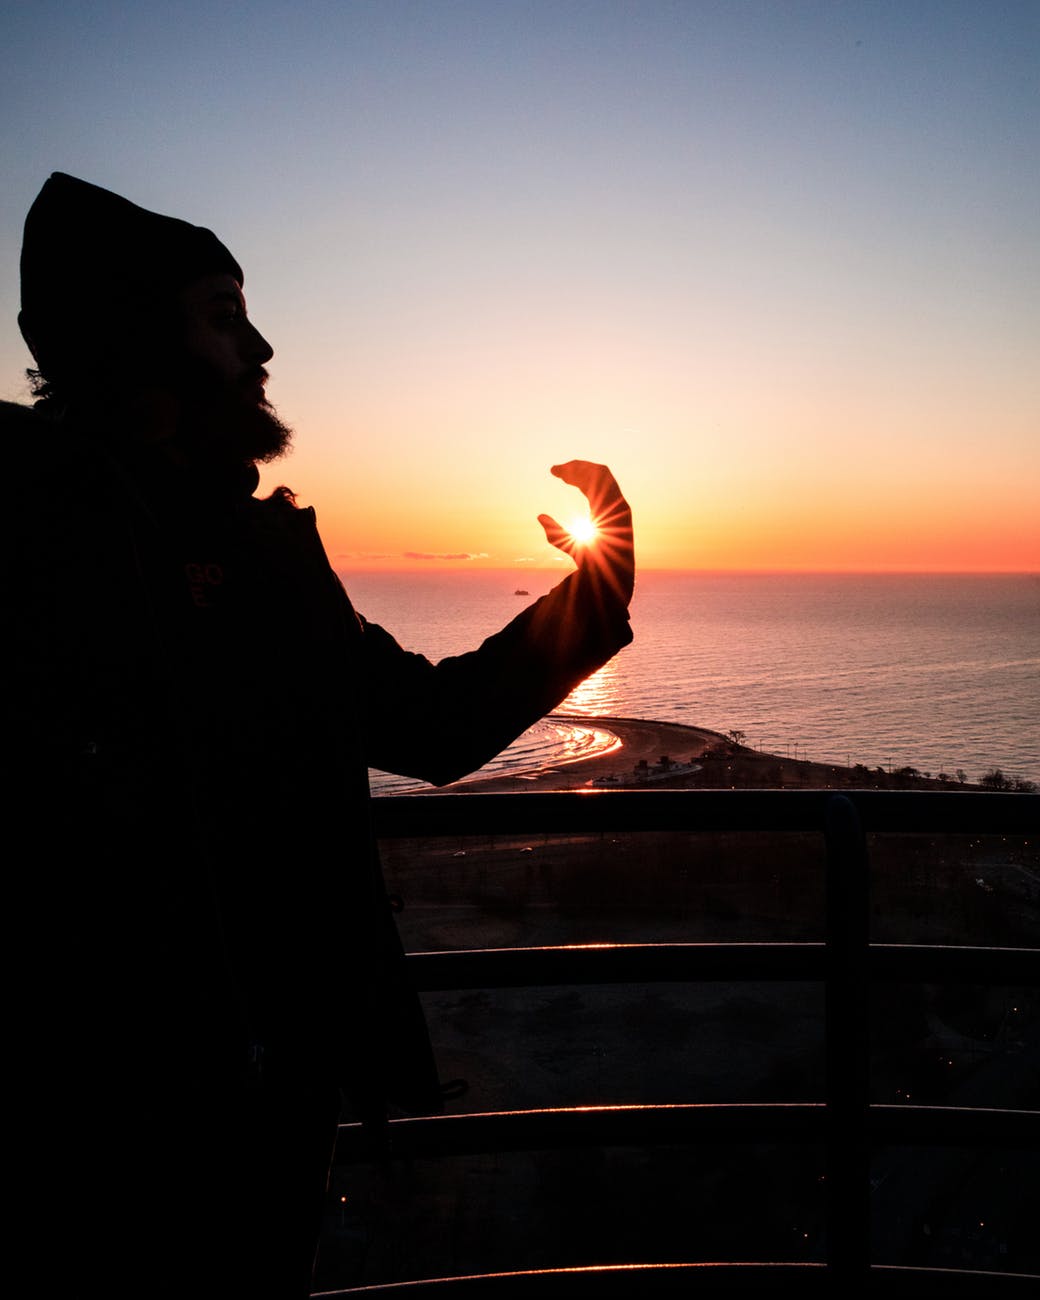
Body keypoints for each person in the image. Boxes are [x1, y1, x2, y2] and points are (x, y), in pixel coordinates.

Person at [5, 173, 633, 1297]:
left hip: (267, 1078)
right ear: (131, 334)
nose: (263, 343)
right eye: (221, 310)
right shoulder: (26, 521)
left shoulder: (263, 556)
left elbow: (433, 724)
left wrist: (600, 575)